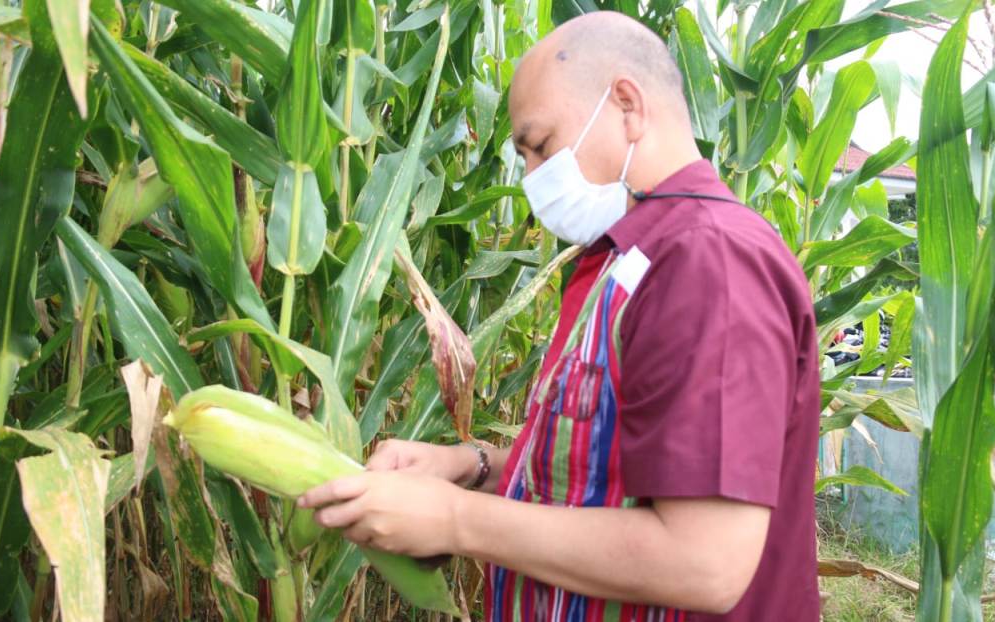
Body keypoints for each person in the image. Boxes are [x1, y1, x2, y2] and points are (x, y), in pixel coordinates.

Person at [298, 11, 821, 621]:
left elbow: (705, 561)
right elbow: (607, 472)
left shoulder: (710, 262)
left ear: (627, 105)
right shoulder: (630, 259)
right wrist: (468, 468)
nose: (531, 178)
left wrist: (456, 520)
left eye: (540, 146)